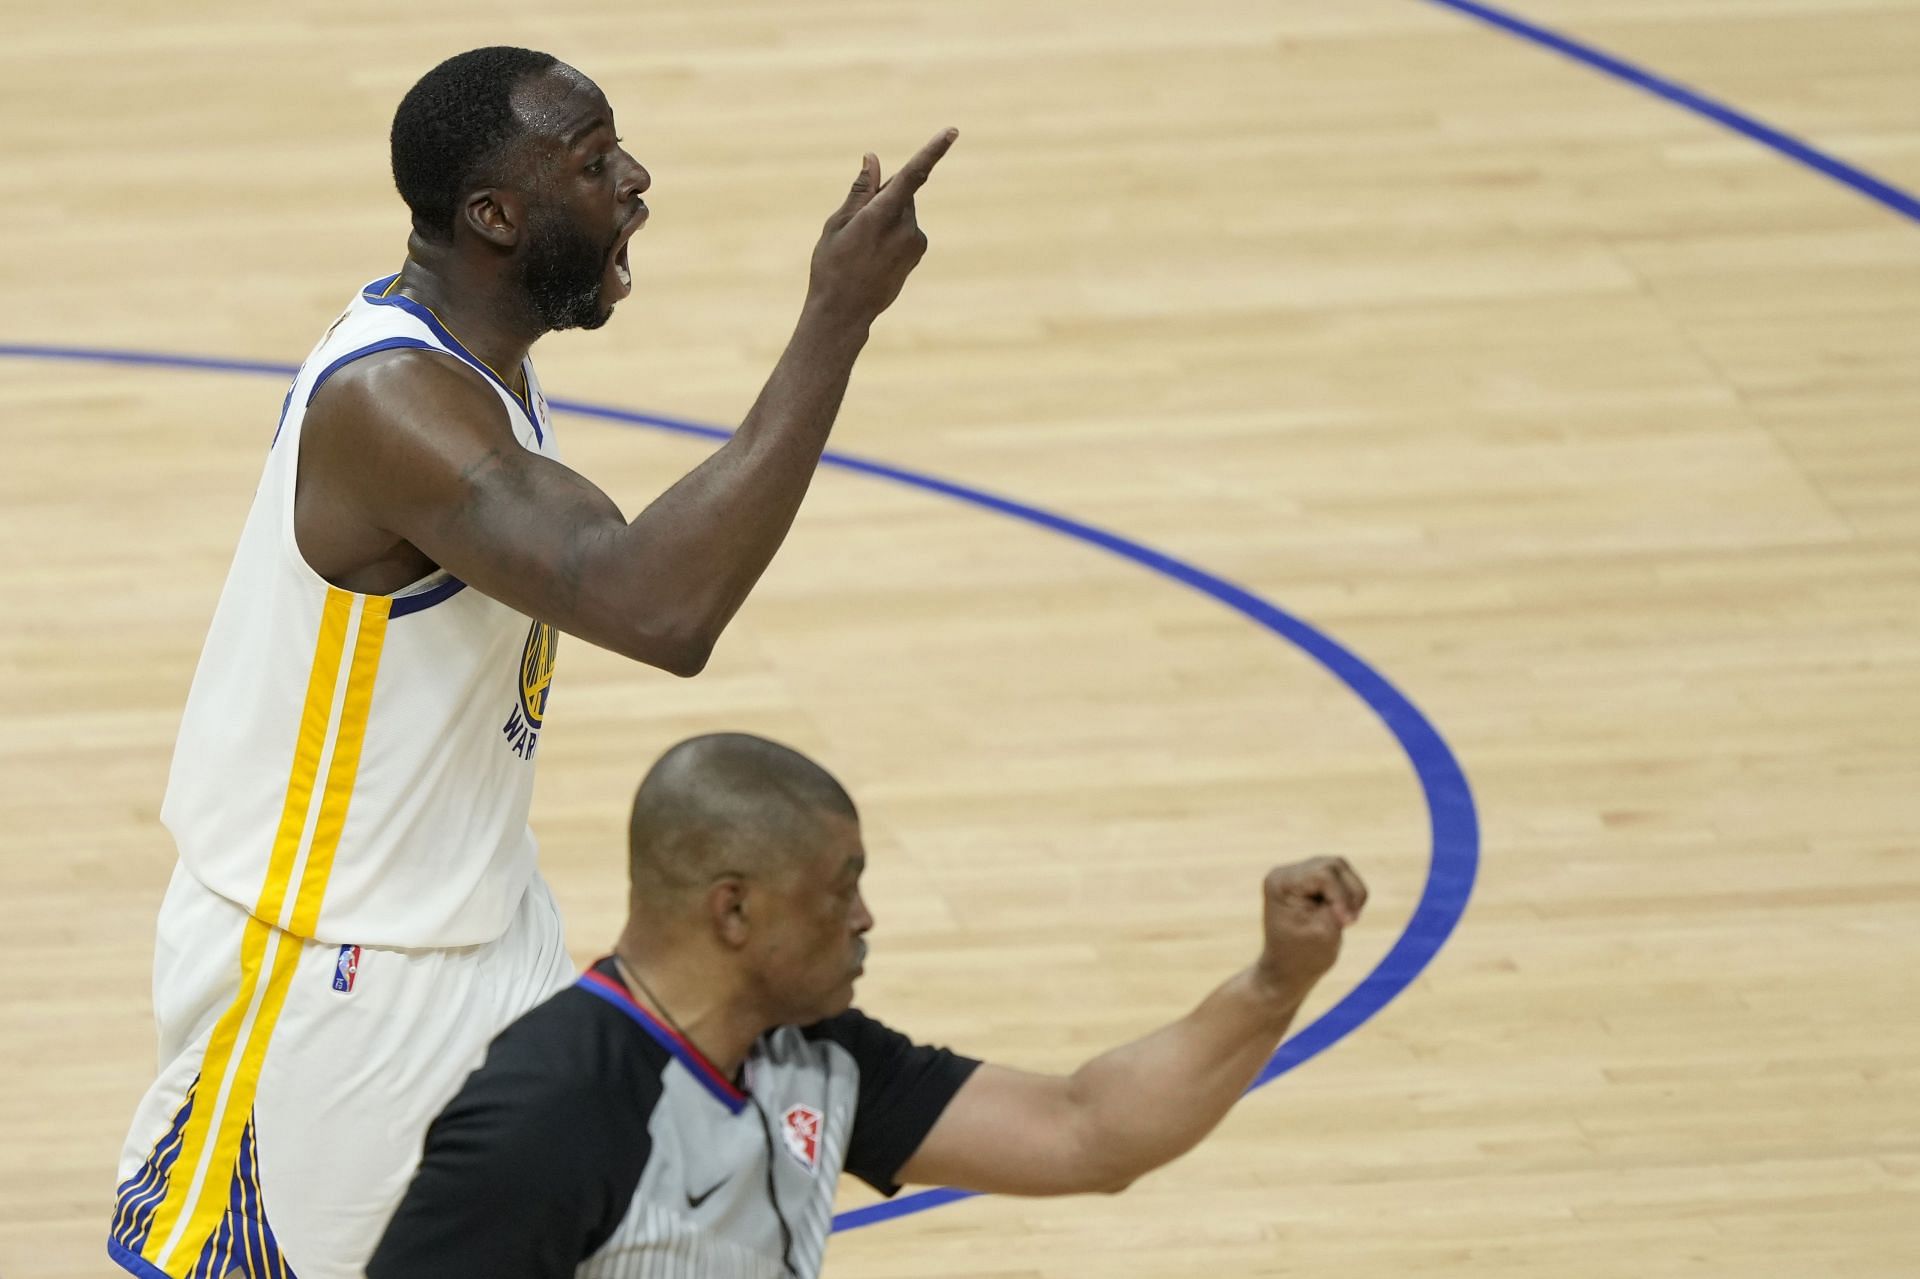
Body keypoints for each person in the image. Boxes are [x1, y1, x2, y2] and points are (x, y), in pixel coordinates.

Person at [109, 46, 957, 1279]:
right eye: (594, 162)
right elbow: (661, 607)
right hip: (328, 970)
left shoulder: (477, 364)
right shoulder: (392, 404)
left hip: (483, 925)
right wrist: (833, 322)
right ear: (493, 216)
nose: (636, 179)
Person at [369, 733, 1369, 1278]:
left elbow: (1086, 1132)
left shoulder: (815, 1056)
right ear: (735, 909)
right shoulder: (554, 1110)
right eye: (839, 888)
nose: (865, 916)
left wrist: (1276, 981)